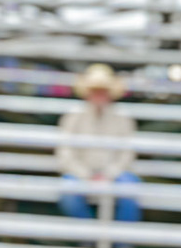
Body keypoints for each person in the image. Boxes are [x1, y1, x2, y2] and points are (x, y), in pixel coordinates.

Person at [55, 64, 141, 223]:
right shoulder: (73, 117)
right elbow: (65, 154)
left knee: (130, 188)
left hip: (115, 174)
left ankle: (122, 240)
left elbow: (127, 154)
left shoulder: (123, 118)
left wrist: (109, 174)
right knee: (68, 192)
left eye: (103, 91)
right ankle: (88, 235)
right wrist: (86, 175)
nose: (99, 95)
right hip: (80, 173)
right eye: (95, 91)